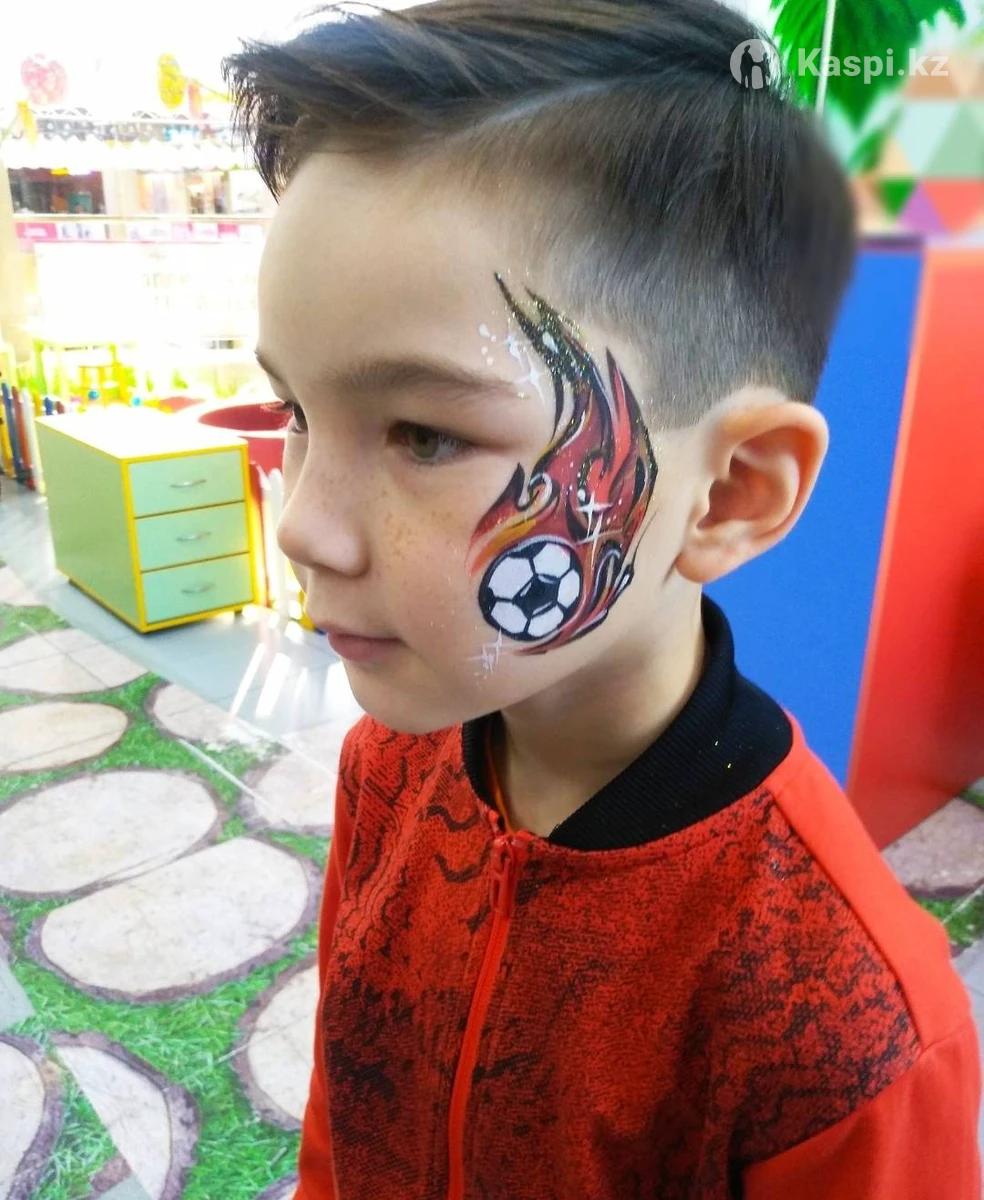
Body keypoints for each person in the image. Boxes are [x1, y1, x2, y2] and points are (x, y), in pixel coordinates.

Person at [223, 2, 983, 1197]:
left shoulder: (846, 1024)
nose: (303, 523)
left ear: (730, 492)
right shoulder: (389, 767)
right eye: (297, 412)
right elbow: (350, 1104)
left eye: (425, 434)